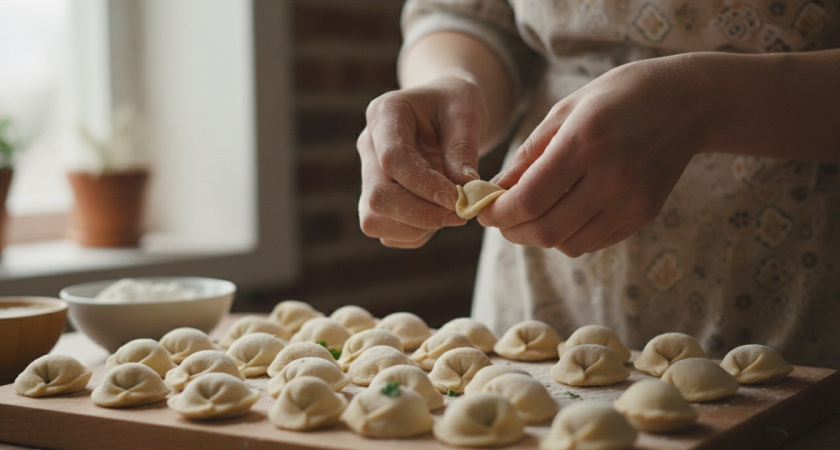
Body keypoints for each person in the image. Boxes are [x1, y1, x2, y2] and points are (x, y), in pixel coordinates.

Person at [356, 0, 840, 368]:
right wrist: (450, 81)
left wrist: (705, 102)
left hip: (797, 289)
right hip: (539, 295)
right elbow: (472, 14)